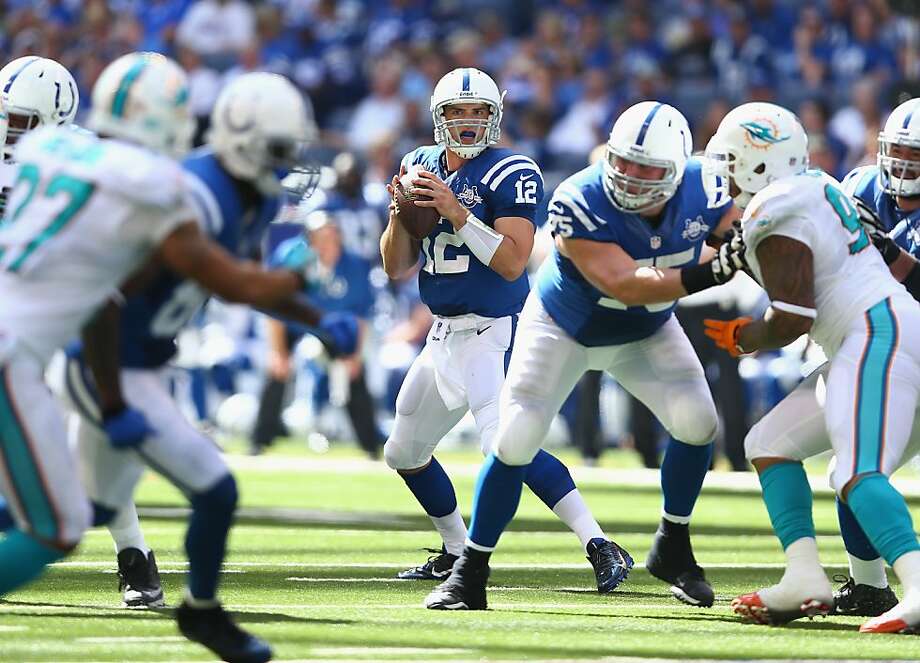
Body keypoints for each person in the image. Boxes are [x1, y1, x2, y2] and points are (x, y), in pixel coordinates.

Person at [0, 53, 350, 663]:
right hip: (52, 354)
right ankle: (191, 604)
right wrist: (302, 285)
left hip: (66, 346)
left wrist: (311, 314)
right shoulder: (162, 188)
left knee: (83, 506)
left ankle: (185, 599)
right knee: (60, 525)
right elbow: (206, 285)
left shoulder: (56, 157)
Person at [424, 100, 745, 611]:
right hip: (565, 326)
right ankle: (470, 571)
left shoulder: (705, 186)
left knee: (699, 422)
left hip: (645, 329)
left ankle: (673, 545)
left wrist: (759, 254)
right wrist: (715, 269)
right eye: (624, 162)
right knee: (516, 437)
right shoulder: (579, 197)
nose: (632, 177)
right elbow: (625, 283)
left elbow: (740, 236)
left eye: (648, 169)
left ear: (677, 168)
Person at [381, 67, 631, 594]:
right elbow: (396, 265)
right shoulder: (418, 164)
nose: (468, 122)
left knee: (506, 445)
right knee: (403, 452)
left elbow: (513, 263)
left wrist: (455, 212)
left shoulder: (511, 170)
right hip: (443, 334)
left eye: (478, 112)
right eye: (457, 112)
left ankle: (601, 543)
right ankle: (454, 549)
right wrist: (399, 216)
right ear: (439, 117)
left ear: (494, 116)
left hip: (495, 331)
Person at [702, 102, 920, 633]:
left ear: (760, 161)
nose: (726, 174)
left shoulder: (782, 202)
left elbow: (793, 315)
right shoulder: (821, 186)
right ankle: (805, 576)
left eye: (733, 160)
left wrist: (747, 336)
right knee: (768, 442)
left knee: (855, 470)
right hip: (870, 333)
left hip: (880, 331)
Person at [253, 210, 382, 458]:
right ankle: (260, 440)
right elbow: (273, 306)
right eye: (319, 237)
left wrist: (354, 355)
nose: (325, 244)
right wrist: (278, 351)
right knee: (277, 370)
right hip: (293, 325)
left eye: (330, 236)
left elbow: (360, 316)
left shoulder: (354, 265)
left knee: (354, 373)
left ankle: (369, 446)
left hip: (334, 328)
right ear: (309, 239)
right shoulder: (291, 257)